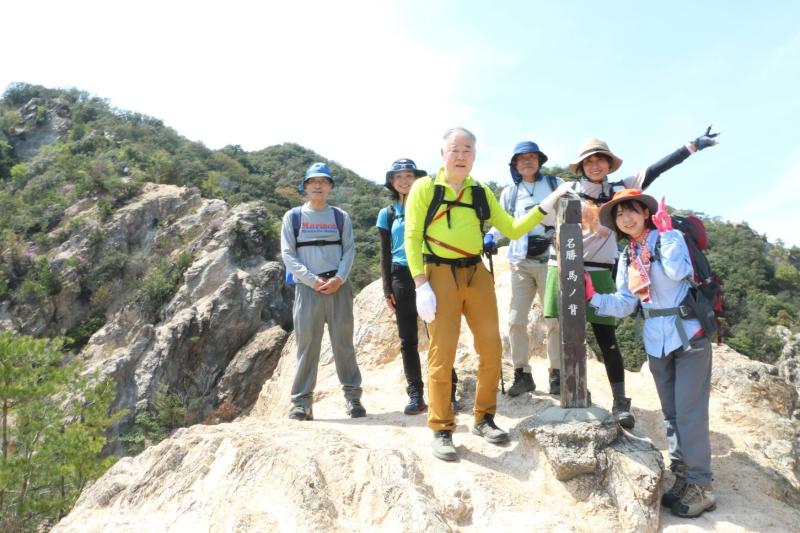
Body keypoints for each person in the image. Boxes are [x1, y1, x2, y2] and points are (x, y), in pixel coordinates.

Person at [404, 127, 573, 461]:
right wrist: (421, 284)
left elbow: (512, 228)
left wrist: (548, 203)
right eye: (455, 149)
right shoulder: (425, 187)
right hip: (439, 272)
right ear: (442, 153)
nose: (461, 156)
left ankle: (484, 417)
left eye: (468, 150)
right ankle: (442, 427)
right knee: (442, 353)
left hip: (476, 271)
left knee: (492, 348)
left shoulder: (480, 191)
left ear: (475, 155)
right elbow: (411, 236)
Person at [543, 128, 719, 428]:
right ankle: (563, 382)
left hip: (600, 269)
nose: (595, 165)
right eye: (589, 161)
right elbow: (540, 215)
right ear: (581, 165)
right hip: (563, 267)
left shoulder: (618, 190)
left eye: (601, 159)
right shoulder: (567, 189)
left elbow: (655, 169)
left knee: (607, 337)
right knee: (560, 328)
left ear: (609, 164)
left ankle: (619, 400)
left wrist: (691, 147)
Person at [586, 189, 716, 518]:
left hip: (689, 336)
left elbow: (677, 273)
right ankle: (683, 476)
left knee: (689, 413)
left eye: (631, 210)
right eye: (619, 214)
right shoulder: (628, 255)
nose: (626, 218)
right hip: (656, 340)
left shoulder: (669, 239)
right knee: (671, 414)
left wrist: (668, 232)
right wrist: (593, 297)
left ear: (646, 213)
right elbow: (625, 303)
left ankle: (702, 485)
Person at [281, 162, 365, 421]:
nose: (318, 186)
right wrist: (311, 280)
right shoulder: (293, 217)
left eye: (323, 181)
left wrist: (339, 278)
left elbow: (349, 249)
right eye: (313, 182)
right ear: (305, 186)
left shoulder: (340, 216)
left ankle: (353, 398)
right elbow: (288, 254)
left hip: (339, 287)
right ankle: (301, 403)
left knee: (343, 343)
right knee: (307, 345)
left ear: (330, 187)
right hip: (308, 290)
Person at [376, 158, 460, 415]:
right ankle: (416, 395)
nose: (404, 181)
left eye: (409, 176)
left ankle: (448, 392)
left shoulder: (429, 206)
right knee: (407, 339)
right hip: (401, 275)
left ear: (417, 179)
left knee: (438, 335)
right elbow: (385, 253)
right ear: (392, 182)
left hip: (430, 271)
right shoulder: (387, 213)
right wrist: (387, 289)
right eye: (398, 176)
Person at [486, 141, 564, 397]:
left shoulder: (555, 184)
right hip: (520, 261)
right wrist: (491, 236)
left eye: (532, 157)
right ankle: (522, 374)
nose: (527, 162)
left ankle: (557, 374)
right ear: (515, 165)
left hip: (551, 259)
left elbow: (574, 211)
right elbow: (503, 222)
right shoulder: (510, 193)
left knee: (554, 319)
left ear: (539, 161)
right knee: (515, 319)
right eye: (521, 158)